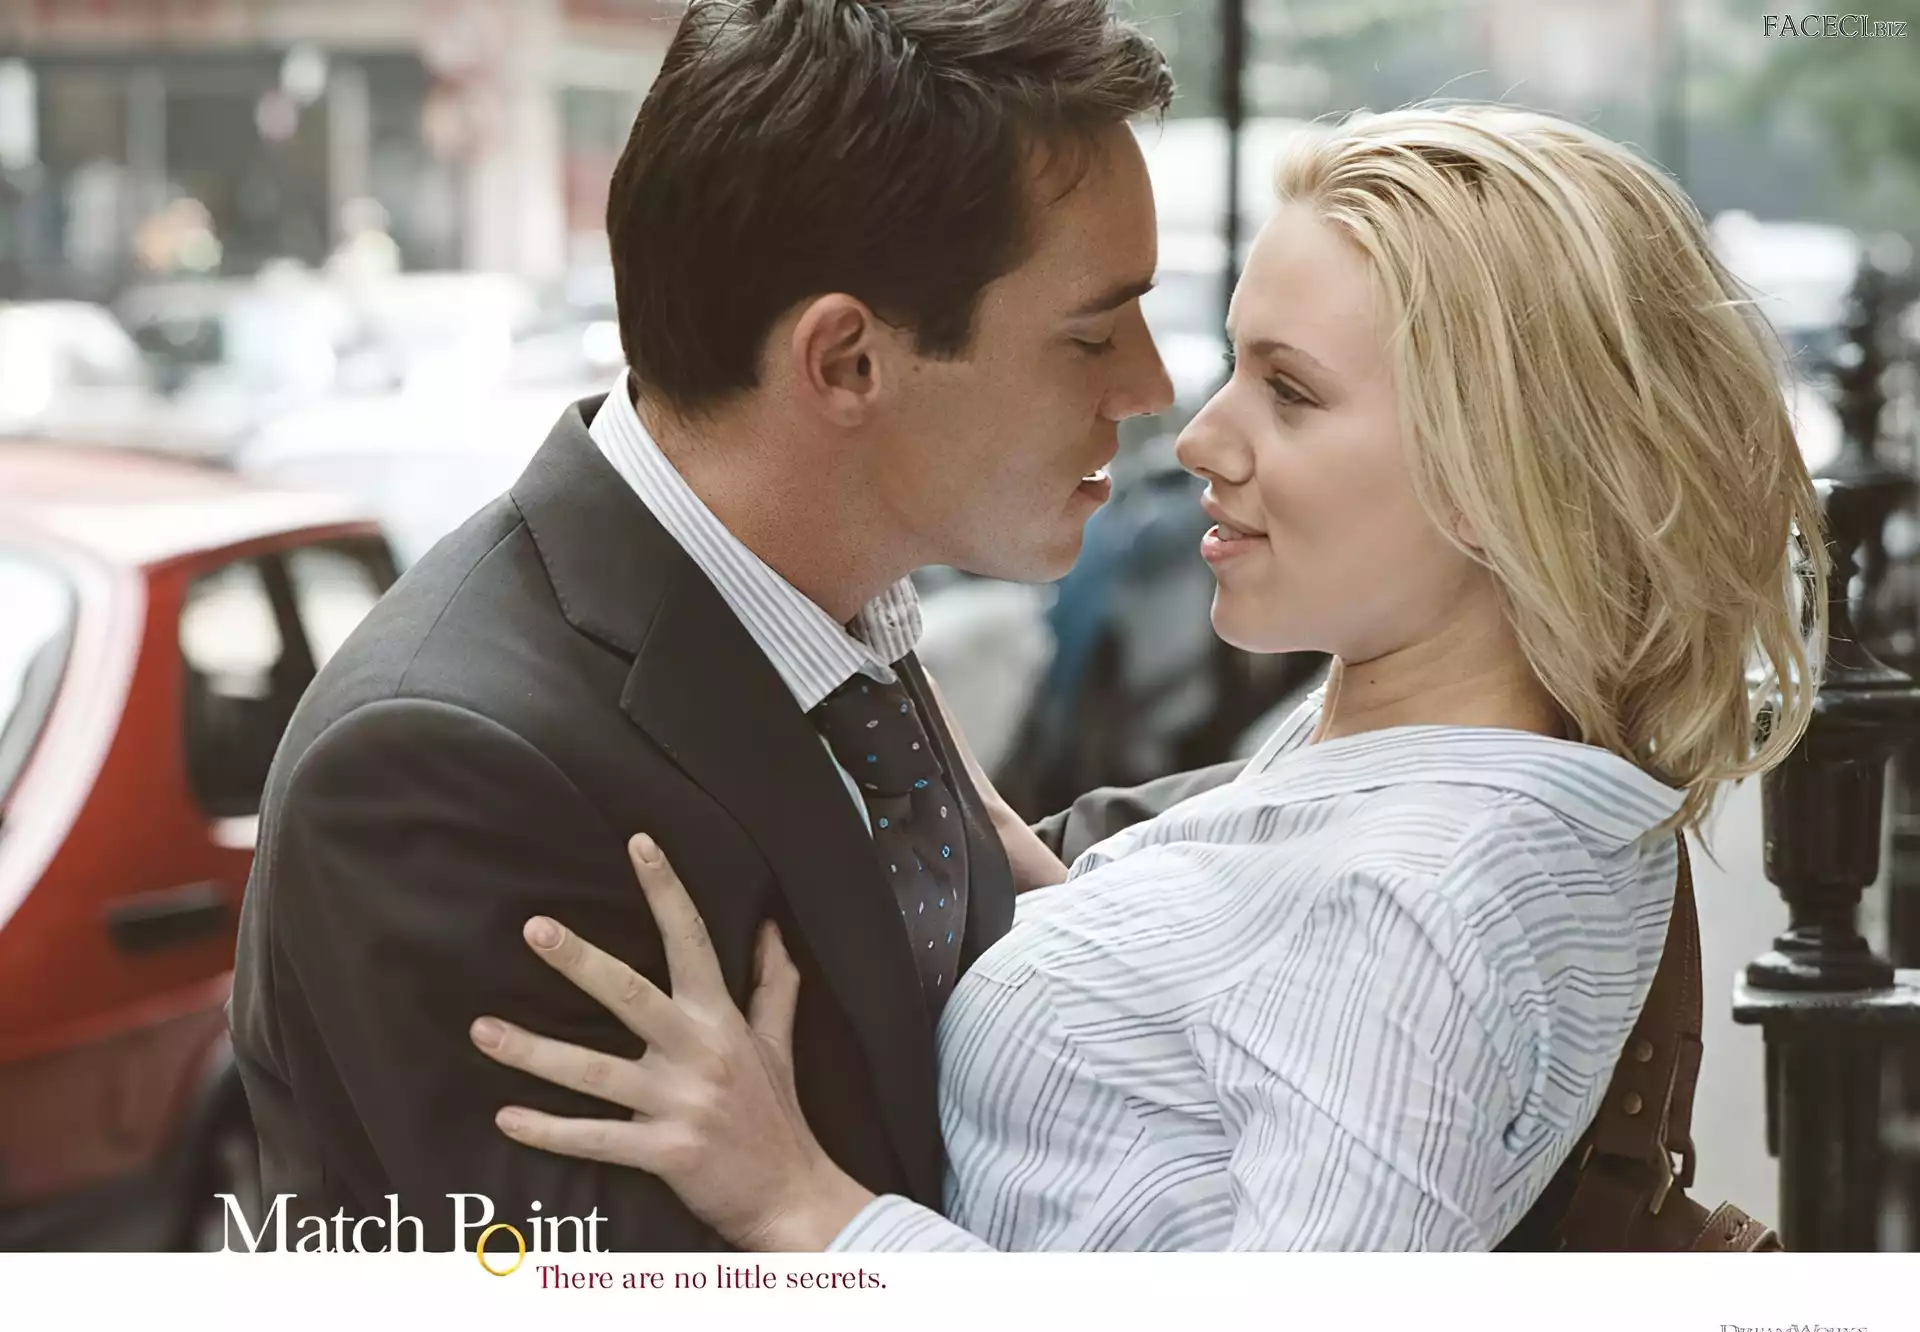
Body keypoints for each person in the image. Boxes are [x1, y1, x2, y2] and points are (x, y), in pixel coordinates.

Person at [469, 103, 1830, 1251]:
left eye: (1291, 392)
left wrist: (806, 1209)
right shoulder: (1417, 754)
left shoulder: (1417, 903)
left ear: (1498, 475)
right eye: (1237, 365)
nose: (1201, 437)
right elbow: (1228, 1031)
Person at [228, 0, 1178, 1250]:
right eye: (1093, 334)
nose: (1151, 386)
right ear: (844, 362)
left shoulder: (828, 608)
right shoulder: (440, 768)